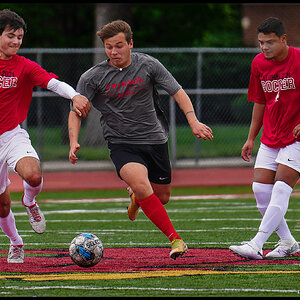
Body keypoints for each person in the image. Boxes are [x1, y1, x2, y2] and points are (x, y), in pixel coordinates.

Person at [68, 20, 213, 259]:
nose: (113, 52)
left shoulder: (148, 65)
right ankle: (176, 240)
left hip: (155, 140)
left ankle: (136, 197)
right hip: (121, 143)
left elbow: (177, 91)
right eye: (108, 47)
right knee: (143, 185)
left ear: (130, 44)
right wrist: (73, 141)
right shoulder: (92, 77)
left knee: (162, 197)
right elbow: (76, 110)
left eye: (118, 46)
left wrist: (193, 121)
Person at [0, 9, 91, 263]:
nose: (16, 42)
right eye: (10, 36)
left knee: (33, 174)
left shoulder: (24, 66)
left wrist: (74, 95)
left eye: (19, 37)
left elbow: (52, 83)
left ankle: (30, 202)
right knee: (2, 205)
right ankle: (16, 243)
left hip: (11, 135)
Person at [229, 17, 300, 259]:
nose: (264, 48)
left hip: (296, 138)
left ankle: (256, 243)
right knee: (261, 191)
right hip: (270, 136)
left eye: (270, 42)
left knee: (281, 187)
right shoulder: (258, 63)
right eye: (260, 43)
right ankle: (288, 242)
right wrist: (251, 138)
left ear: (283, 39)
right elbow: (260, 102)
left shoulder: (299, 60)